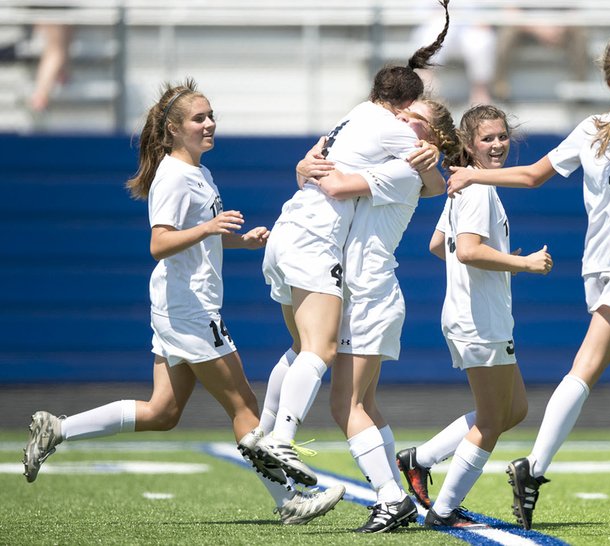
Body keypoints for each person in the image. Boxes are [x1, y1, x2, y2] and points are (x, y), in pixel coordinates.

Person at [21, 78, 345, 525]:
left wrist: (238, 242)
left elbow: (190, 241)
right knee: (245, 408)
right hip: (190, 309)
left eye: (211, 116)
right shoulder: (173, 177)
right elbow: (160, 243)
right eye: (199, 118)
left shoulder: (198, 172)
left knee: (163, 412)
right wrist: (210, 230)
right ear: (173, 130)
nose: (210, 124)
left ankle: (58, 428)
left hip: (179, 305)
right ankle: (288, 502)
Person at [447, 36, 610, 528]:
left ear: (609, 81)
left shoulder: (592, 128)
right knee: (586, 367)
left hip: (599, 266)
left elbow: (530, 178)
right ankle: (534, 468)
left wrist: (473, 176)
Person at [237, 0, 451, 492]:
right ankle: (281, 440)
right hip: (318, 245)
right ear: (400, 108)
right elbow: (417, 183)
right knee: (323, 355)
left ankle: (268, 435)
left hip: (306, 241)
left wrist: (431, 158)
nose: (410, 128)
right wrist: (429, 157)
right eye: (410, 117)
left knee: (313, 359)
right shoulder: (398, 138)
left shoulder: (355, 119)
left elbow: (328, 163)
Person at [295, 98, 460, 533]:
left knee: (343, 404)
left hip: (369, 295)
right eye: (402, 115)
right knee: (363, 404)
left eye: (414, 120)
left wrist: (313, 162)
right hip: (370, 294)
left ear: (432, 137)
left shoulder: (404, 167)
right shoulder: (407, 164)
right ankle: (396, 494)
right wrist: (305, 163)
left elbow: (335, 184)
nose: (401, 122)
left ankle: (390, 498)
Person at [392, 105, 552, 529]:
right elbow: (466, 251)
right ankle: (443, 512)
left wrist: (500, 258)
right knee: (493, 419)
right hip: (478, 320)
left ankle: (419, 459)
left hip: (478, 316)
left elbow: (437, 246)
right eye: (487, 139)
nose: (497, 145)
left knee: (513, 408)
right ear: (468, 143)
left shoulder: (466, 183)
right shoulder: (477, 188)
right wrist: (524, 264)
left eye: (501, 137)